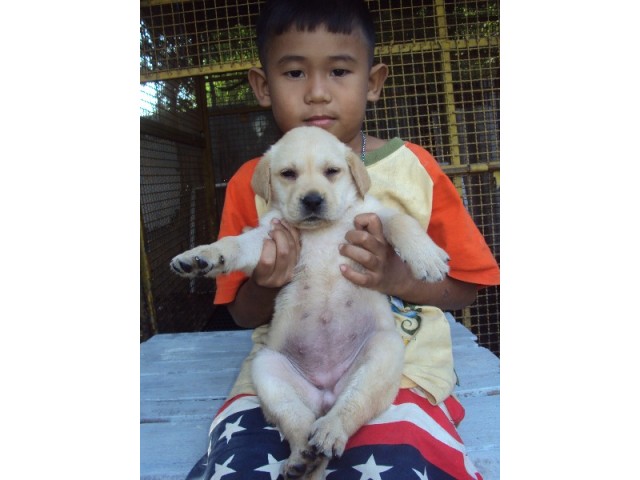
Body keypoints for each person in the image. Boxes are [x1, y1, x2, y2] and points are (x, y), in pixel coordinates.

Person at [186, 0, 500, 478]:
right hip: (289, 370)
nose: (317, 93)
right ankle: (302, 445)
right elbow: (240, 313)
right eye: (294, 73)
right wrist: (267, 282)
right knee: (243, 465)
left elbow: (466, 286)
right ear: (262, 86)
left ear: (372, 82)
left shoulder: (414, 170)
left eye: (338, 71)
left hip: (400, 377)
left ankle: (332, 435)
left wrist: (396, 277)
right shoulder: (255, 180)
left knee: (397, 468)